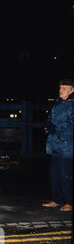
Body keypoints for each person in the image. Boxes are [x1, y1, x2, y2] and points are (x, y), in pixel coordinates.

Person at [42, 79, 73, 212]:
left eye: (64, 88)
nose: (61, 91)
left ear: (72, 90)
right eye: (60, 88)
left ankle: (69, 201)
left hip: (67, 146)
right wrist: (48, 126)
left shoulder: (71, 106)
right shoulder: (57, 104)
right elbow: (51, 119)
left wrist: (57, 128)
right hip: (55, 145)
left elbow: (71, 126)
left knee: (66, 175)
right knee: (54, 174)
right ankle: (57, 199)